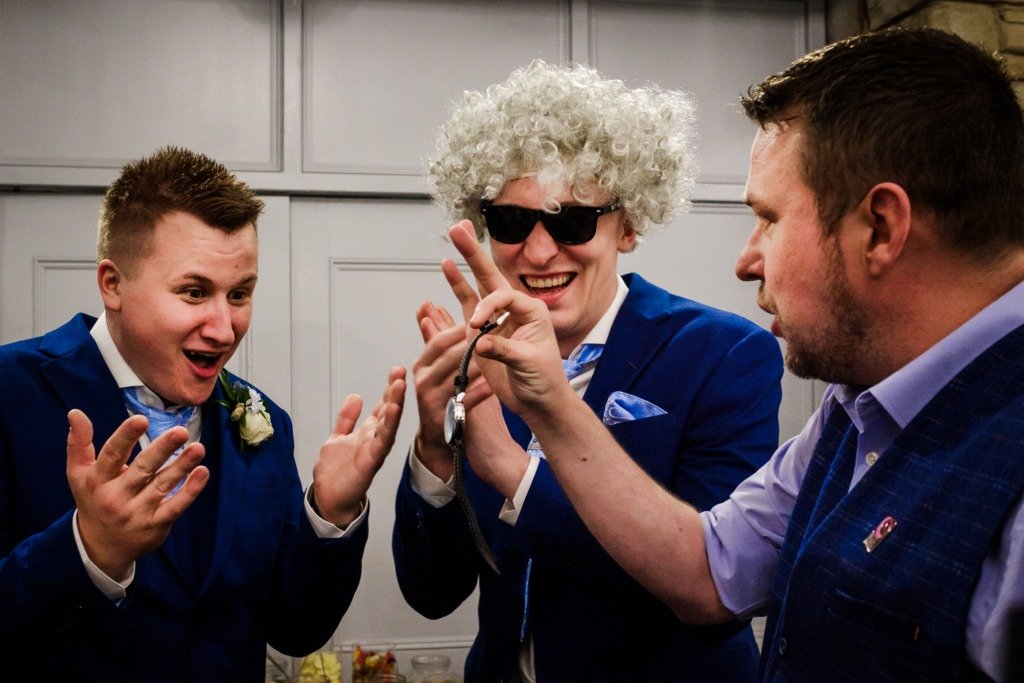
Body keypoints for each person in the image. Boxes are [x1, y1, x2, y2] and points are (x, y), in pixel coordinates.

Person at [441, 28, 1024, 681]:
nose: (746, 260)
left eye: (769, 218)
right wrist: (537, 410)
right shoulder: (851, 411)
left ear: (881, 228)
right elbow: (707, 571)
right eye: (513, 223)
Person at [392, 60, 783, 681]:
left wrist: (515, 473)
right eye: (513, 222)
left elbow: (716, 601)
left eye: (573, 220)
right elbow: (432, 593)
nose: (541, 251)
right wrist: (435, 453)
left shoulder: (724, 354)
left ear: (627, 226)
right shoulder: (480, 356)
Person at [0, 147, 406, 681]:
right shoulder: (11, 391)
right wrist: (89, 552)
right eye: (194, 292)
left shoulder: (266, 425)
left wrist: (330, 514)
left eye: (239, 294)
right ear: (112, 284)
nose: (224, 328)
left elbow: (295, 627)